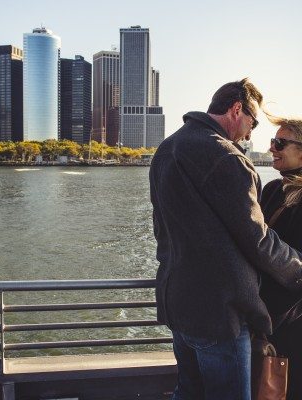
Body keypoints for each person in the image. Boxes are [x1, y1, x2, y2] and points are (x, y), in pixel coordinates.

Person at [149, 78, 302, 400]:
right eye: (253, 122)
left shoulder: (168, 148)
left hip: (179, 303)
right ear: (236, 110)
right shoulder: (227, 159)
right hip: (220, 313)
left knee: (189, 391)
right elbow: (256, 239)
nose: (250, 134)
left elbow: (161, 230)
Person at [259, 117, 302, 400]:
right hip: (268, 316)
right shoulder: (272, 190)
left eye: (281, 143)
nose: (272, 147)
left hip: (293, 318)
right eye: (273, 141)